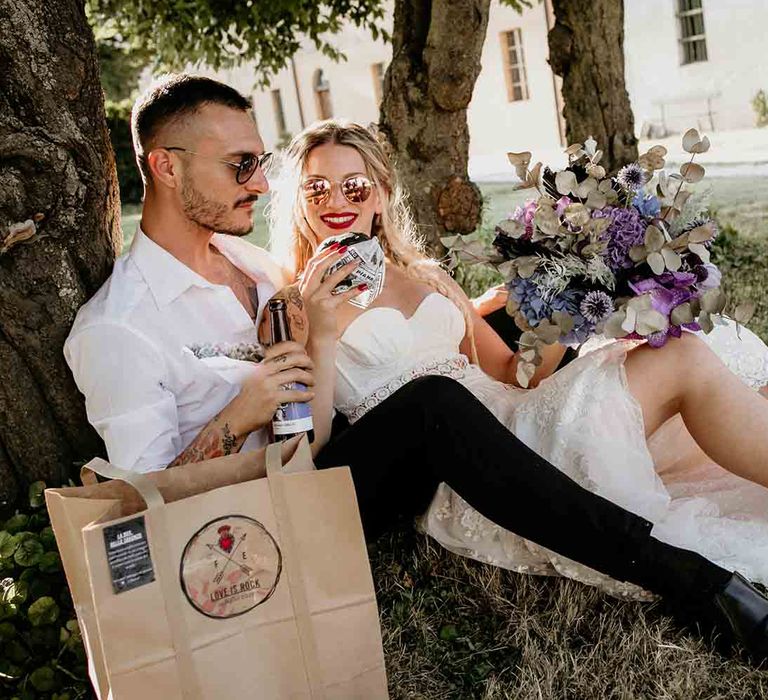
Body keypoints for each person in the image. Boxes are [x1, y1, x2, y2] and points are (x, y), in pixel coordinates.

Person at [64, 75, 768, 662]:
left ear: (379, 187)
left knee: (682, 352)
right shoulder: (131, 325)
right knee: (435, 403)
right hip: (330, 493)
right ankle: (694, 583)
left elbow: (512, 371)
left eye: (260, 164)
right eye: (245, 166)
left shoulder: (253, 269)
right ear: (165, 165)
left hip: (469, 426)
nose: (262, 182)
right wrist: (261, 394)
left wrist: (561, 299)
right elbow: (141, 505)